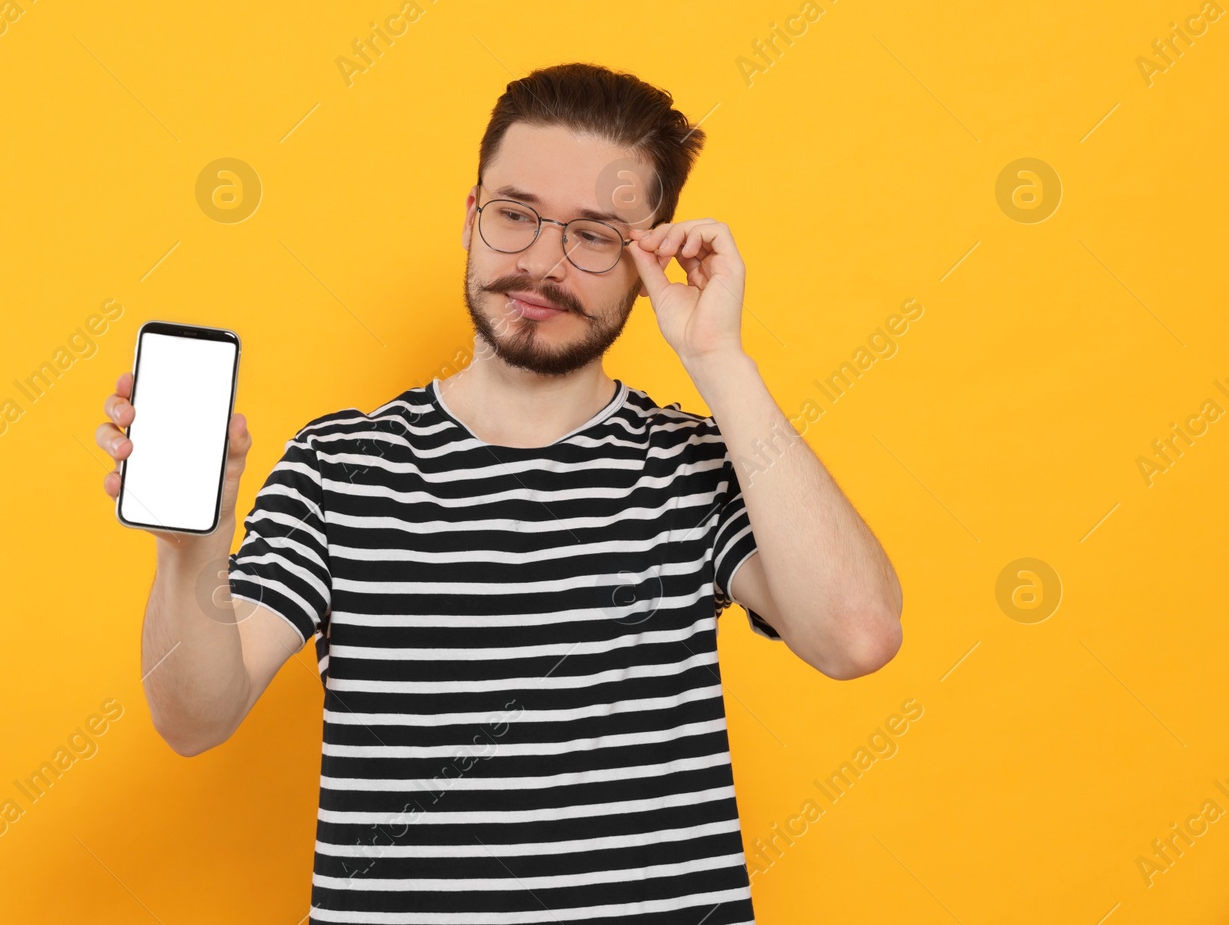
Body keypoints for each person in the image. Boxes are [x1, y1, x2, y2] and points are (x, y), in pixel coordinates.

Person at [95, 62, 903, 923]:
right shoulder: (339, 467)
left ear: (650, 260)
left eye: (594, 236)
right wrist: (193, 549)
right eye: (516, 215)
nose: (542, 265)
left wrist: (719, 361)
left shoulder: (695, 465)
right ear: (472, 218)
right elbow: (194, 718)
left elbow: (857, 636)